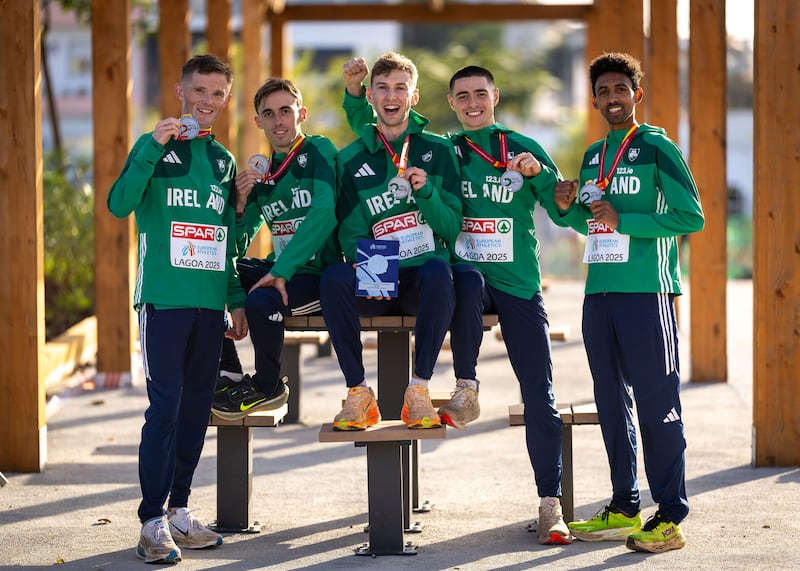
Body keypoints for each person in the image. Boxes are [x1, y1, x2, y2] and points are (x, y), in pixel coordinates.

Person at [342, 60, 584, 545]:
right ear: (450, 104)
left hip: (516, 282)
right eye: (463, 97)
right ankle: (466, 386)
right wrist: (355, 92)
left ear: (494, 97)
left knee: (540, 393)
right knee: (467, 280)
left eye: (481, 94)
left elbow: (566, 210)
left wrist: (541, 178)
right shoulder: (444, 151)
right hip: (466, 275)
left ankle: (550, 503)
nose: (473, 103)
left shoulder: (524, 148)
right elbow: (380, 132)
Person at [553, 52, 705, 553]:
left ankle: (670, 515)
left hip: (647, 293)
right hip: (599, 294)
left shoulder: (658, 146)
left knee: (658, 404)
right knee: (610, 402)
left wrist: (628, 222)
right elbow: (590, 222)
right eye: (604, 91)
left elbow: (692, 217)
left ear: (636, 94)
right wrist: (566, 209)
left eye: (622, 89)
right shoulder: (595, 154)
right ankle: (624, 504)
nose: (612, 98)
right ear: (594, 98)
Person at [107, 54, 247, 564]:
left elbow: (226, 240)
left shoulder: (225, 162)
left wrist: (234, 300)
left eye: (216, 93)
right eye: (198, 91)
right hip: (163, 303)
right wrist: (150, 146)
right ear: (179, 92)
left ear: (226, 100)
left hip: (209, 308)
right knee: (164, 410)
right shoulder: (154, 147)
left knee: (193, 413)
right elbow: (118, 205)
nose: (206, 101)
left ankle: (180, 511)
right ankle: (150, 522)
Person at [323, 51, 463, 431]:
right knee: (334, 278)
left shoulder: (439, 151)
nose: (391, 96)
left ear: (413, 97)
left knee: (438, 269)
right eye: (382, 88)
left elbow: (452, 229)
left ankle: (418, 390)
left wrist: (428, 193)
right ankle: (358, 392)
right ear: (370, 96)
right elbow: (348, 233)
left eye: (401, 88)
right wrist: (369, 262)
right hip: (378, 278)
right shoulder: (351, 159)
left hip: (423, 283)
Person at [211, 78, 339, 420]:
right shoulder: (263, 175)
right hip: (280, 269)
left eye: (286, 111)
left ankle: (268, 386)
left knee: (262, 299)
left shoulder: (319, 151)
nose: (278, 121)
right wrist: (240, 203)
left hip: (319, 276)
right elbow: (234, 245)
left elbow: (325, 213)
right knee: (206, 269)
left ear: (302, 114)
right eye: (269, 114)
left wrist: (280, 271)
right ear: (258, 122)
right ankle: (229, 372)